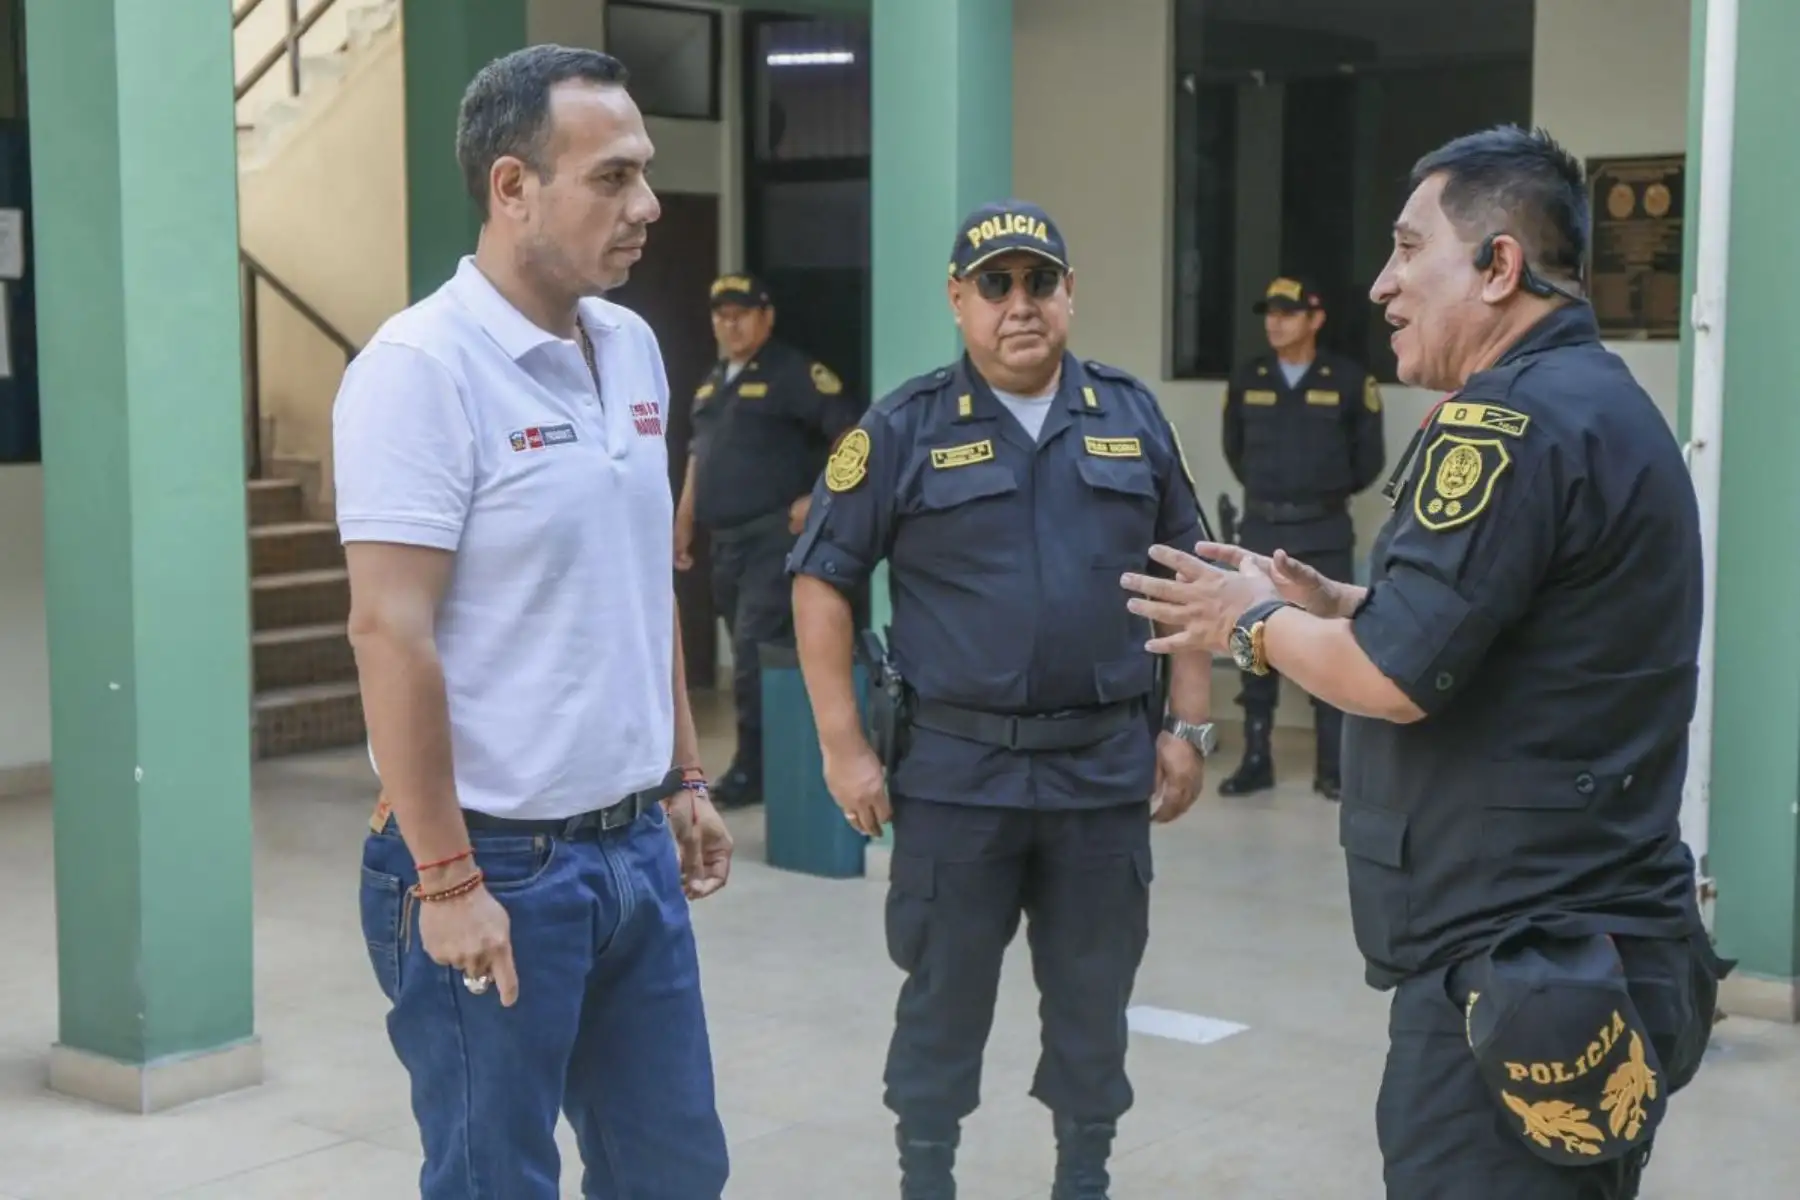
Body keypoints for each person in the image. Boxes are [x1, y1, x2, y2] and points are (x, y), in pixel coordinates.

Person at [1119, 125, 1732, 1200]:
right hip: (1589, 948)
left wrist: (1246, 623)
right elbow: (1519, 637)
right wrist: (1350, 605)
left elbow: (1397, 683)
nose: (1381, 283)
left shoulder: (1505, 423)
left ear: (1498, 268)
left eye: (1409, 250)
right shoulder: (1594, 401)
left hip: (1524, 959)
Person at [333, 45, 732, 1199]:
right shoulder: (422, 368)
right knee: (494, 1181)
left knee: (673, 1172)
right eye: (612, 178)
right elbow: (387, 632)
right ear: (514, 188)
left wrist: (681, 774)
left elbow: (641, 574)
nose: (647, 206)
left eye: (644, 174)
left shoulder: (634, 347)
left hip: (632, 854)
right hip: (495, 863)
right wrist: (449, 880)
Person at [789, 200, 1217, 1200]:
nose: (1018, 305)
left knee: (1093, 995)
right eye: (996, 284)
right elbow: (821, 579)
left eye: (1039, 282)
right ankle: (927, 1177)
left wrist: (1188, 724)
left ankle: (1085, 1177)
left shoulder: (1129, 413)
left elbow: (1191, 569)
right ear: (957, 300)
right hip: (955, 776)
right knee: (943, 996)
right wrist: (843, 747)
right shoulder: (903, 427)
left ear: (1069, 294)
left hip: (1100, 768)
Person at [674, 272, 862, 810]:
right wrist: (683, 518)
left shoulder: (793, 372)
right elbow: (698, 454)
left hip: (771, 539)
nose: (730, 323)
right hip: (725, 543)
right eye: (721, 314)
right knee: (745, 647)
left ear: (766, 316)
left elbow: (852, 435)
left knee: (756, 653)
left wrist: (822, 498)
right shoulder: (713, 383)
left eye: (741, 312)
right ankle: (766, 761)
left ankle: (754, 770)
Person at [1219, 276, 1385, 800]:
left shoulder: (1348, 380)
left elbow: (1368, 461)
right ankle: (1255, 757)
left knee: (1331, 643)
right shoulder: (1249, 379)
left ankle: (1331, 768)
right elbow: (1235, 451)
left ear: (1315, 319)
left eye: (1288, 312)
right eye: (1270, 311)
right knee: (1253, 642)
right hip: (1264, 529)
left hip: (1324, 529)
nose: (1275, 321)